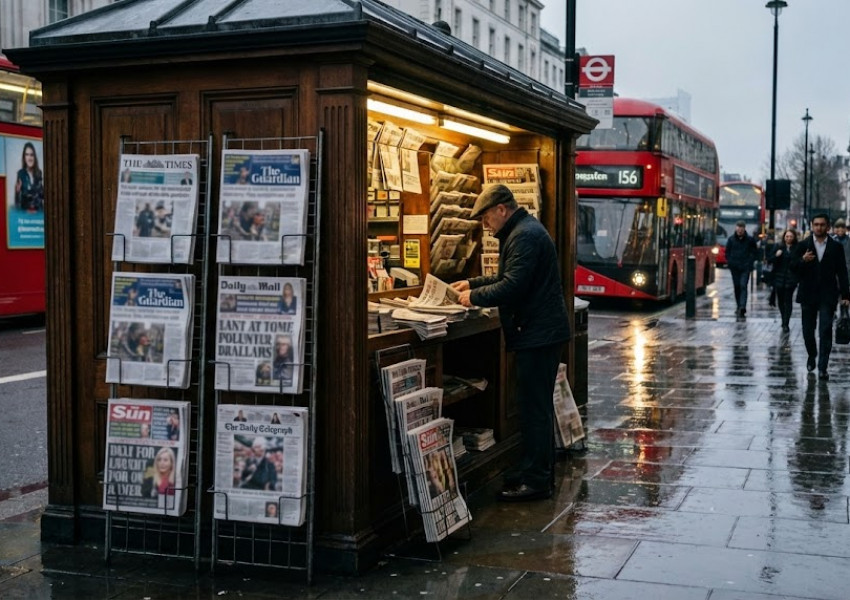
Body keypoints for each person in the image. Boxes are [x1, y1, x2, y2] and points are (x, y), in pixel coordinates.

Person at [451, 184, 570, 502]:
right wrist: (473, 282)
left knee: (535, 409)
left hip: (539, 334)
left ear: (502, 209)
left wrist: (472, 296)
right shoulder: (522, 231)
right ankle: (534, 470)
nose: (486, 225)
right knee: (533, 407)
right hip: (537, 332)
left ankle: (537, 481)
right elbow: (508, 276)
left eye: (487, 218)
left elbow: (513, 286)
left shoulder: (525, 236)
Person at [790, 213, 850, 380]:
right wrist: (802, 260)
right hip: (808, 294)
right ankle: (812, 354)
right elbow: (792, 267)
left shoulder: (836, 247)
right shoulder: (803, 245)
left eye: (822, 225)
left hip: (828, 295)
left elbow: (842, 272)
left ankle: (823, 366)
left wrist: (846, 295)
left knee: (825, 330)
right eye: (816, 224)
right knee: (808, 331)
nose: (819, 227)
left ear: (828, 227)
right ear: (811, 226)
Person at [725, 220, 759, 318]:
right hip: (734, 267)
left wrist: (750, 262)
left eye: (741, 228)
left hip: (745, 267)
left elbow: (755, 252)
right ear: (736, 228)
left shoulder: (750, 240)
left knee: (743, 285)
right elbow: (727, 252)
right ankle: (739, 305)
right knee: (737, 286)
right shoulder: (731, 240)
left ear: (744, 228)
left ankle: (742, 306)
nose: (740, 230)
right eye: (738, 227)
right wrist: (730, 262)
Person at [768, 229, 799, 332]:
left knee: (788, 300)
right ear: (784, 237)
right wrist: (776, 255)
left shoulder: (797, 248)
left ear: (794, 237)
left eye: (791, 236)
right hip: (779, 277)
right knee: (781, 300)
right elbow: (770, 259)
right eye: (787, 236)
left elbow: (799, 262)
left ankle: (786, 323)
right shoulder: (778, 247)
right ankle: (783, 319)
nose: (789, 238)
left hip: (791, 279)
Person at [14, 142, 44, 212]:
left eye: (31, 155)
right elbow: (17, 202)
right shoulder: (20, 174)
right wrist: (17, 192)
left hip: (38, 215)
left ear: (34, 157)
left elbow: (41, 195)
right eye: (27, 155)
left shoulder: (39, 173)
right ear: (24, 158)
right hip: (26, 215)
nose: (29, 158)